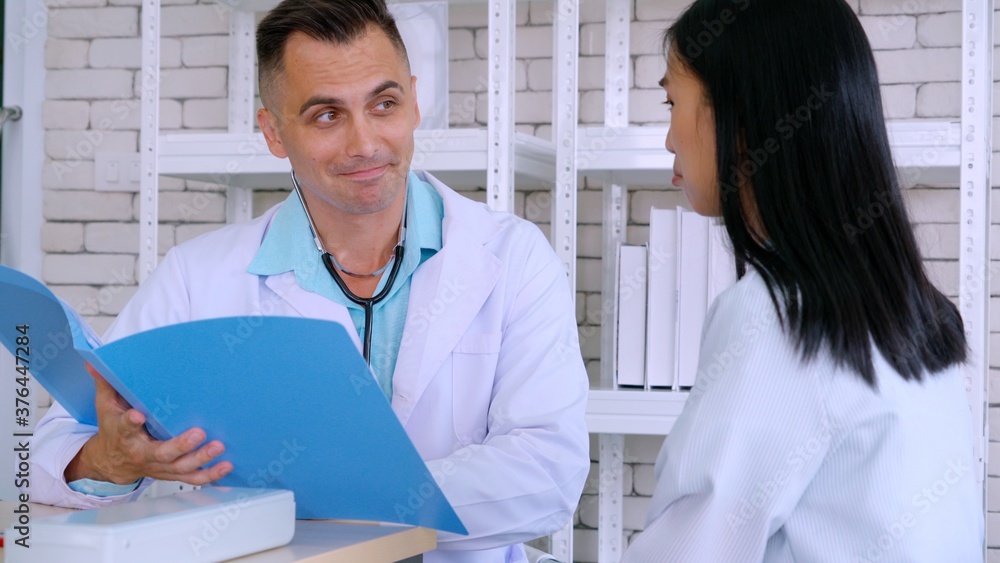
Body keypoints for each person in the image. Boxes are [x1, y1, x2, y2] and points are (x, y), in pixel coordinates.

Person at [30, 1, 590, 561]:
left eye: (384, 104)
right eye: (327, 115)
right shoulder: (196, 277)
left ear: (415, 102)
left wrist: (311, 498)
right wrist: (111, 460)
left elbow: (548, 472)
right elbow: (50, 453)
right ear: (273, 132)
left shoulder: (513, 257)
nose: (364, 143)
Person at [622, 0, 983, 561]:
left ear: (741, 117)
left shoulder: (779, 314)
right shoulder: (916, 310)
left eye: (673, 102)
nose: (669, 138)